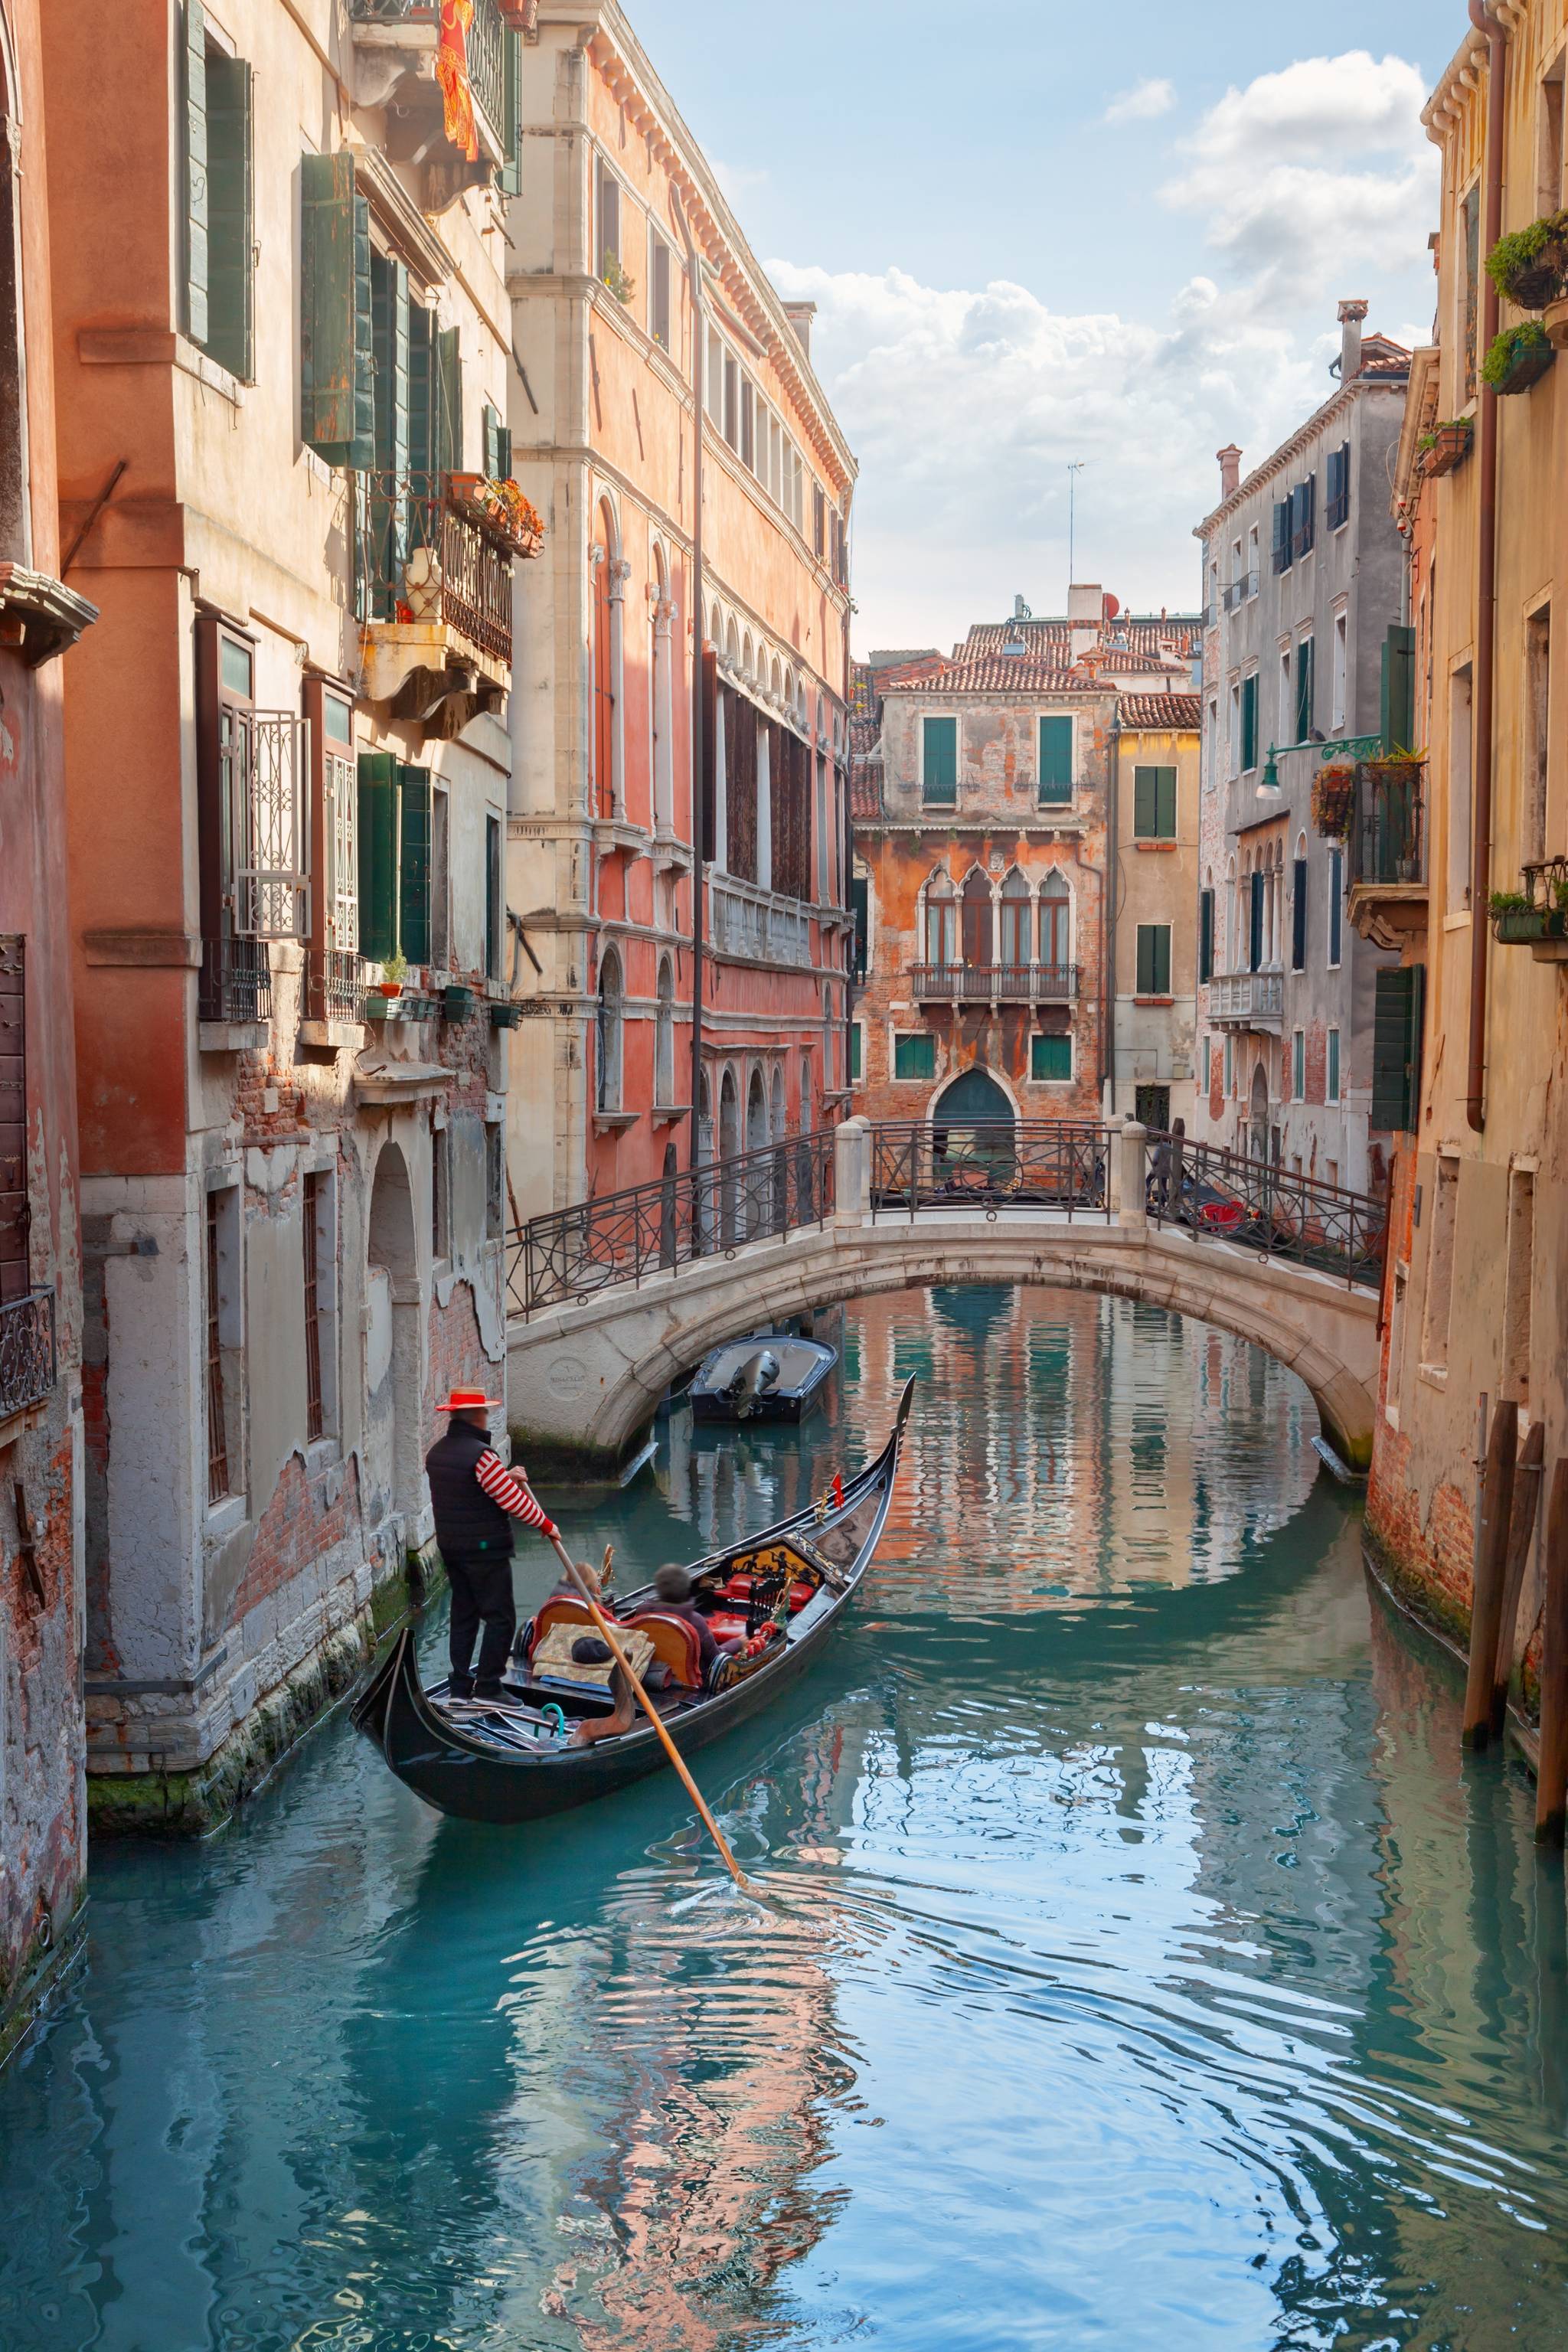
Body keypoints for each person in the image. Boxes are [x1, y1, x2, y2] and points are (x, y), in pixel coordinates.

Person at [425, 1385, 558, 1701]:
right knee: (500, 1617)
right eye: (485, 1412)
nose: (488, 1416)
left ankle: (459, 1686)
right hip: (485, 1549)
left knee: (464, 1615)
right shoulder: (482, 1455)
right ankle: (488, 1686)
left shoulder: (438, 1452)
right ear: (476, 1417)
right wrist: (546, 1524)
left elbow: (467, 1490)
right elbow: (512, 1501)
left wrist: (504, 1475)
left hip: (453, 1548)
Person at [652, 1563, 743, 1679]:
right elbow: (715, 1658)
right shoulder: (694, 1620)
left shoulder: (643, 1612)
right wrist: (738, 1643)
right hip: (689, 1682)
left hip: (652, 1674)